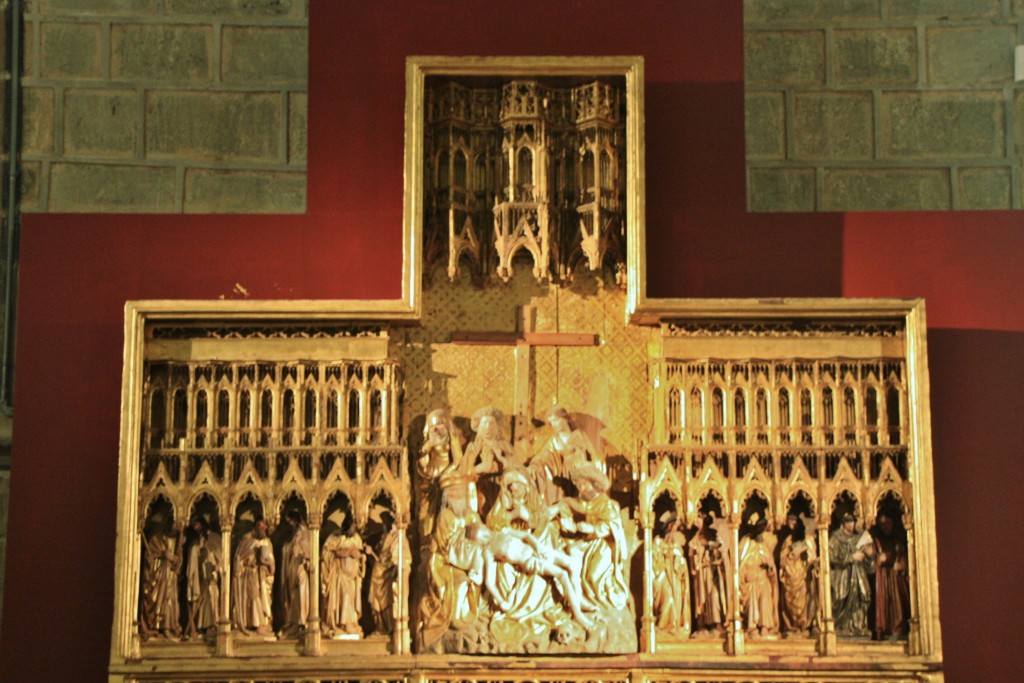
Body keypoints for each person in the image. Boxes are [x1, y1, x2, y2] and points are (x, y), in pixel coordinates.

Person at [465, 522, 594, 629]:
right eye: (481, 538)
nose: (486, 536)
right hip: (530, 562)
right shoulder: (489, 552)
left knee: (572, 564)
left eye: (484, 532)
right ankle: (578, 616)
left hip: (538, 550)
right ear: (478, 543)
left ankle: (578, 600)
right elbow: (489, 581)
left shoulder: (503, 531)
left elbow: (526, 536)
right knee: (563, 575)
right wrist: (501, 601)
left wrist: (537, 546)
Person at [557, 463, 629, 612]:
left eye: (583, 485)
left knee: (593, 576)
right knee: (569, 550)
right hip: (589, 542)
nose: (580, 489)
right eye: (579, 486)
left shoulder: (607, 504)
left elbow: (612, 525)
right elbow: (572, 506)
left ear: (594, 484)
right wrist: (569, 524)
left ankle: (601, 603)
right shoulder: (588, 504)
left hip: (604, 546)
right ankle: (577, 596)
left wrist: (593, 528)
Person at [528, 406, 600, 504]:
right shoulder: (554, 440)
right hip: (560, 480)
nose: (554, 425)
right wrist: (535, 465)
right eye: (551, 422)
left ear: (564, 418)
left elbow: (592, 457)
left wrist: (575, 456)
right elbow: (544, 455)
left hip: (577, 477)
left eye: (556, 420)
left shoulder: (579, 436)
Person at [417, 408, 465, 539]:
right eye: (434, 426)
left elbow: (457, 460)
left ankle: (443, 538)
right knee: (425, 512)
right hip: (430, 475)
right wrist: (429, 444)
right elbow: (422, 458)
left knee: (443, 509)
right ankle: (426, 539)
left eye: (440, 425)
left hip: (447, 476)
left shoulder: (452, 439)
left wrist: (444, 475)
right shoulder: (430, 440)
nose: (437, 429)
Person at [464, 406, 516, 515]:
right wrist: (478, 465)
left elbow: (515, 466)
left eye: (491, 423)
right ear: (479, 426)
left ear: (497, 426)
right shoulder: (473, 446)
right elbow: (464, 470)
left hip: (500, 484)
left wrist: (499, 461)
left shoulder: (504, 445)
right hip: (478, 486)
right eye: (485, 423)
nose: (488, 427)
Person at [829, 512, 874, 637]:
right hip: (842, 575)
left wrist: (870, 555)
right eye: (848, 522)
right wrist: (851, 557)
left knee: (864, 596)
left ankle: (858, 627)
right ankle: (840, 627)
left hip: (858, 574)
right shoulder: (835, 538)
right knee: (840, 597)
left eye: (853, 522)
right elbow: (831, 558)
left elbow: (870, 567)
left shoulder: (858, 539)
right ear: (843, 524)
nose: (851, 525)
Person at [321, 518, 366, 637]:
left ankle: (350, 623)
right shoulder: (335, 537)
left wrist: (360, 556)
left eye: (354, 527)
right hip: (339, 574)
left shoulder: (357, 538)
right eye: (350, 527)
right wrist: (344, 552)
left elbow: (360, 555)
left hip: (353, 577)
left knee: (351, 599)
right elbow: (327, 553)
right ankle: (342, 624)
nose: (353, 530)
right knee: (344, 596)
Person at [737, 513, 779, 637]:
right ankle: (751, 626)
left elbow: (771, 563)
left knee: (765, 595)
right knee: (752, 595)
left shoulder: (764, 544)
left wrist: (770, 569)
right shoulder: (745, 542)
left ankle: (764, 626)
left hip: (763, 577)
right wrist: (744, 574)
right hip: (749, 580)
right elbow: (739, 563)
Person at [368, 511, 411, 635]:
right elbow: (380, 555)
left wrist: (376, 555)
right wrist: (372, 553)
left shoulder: (399, 538)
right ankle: (379, 626)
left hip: (388, 575)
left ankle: (389, 628)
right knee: (375, 599)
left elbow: (396, 559)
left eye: (385, 523)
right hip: (377, 573)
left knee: (387, 599)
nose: (383, 526)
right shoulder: (385, 537)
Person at [140, 516, 183, 639]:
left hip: (171, 578)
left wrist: (172, 558)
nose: (176, 527)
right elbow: (149, 559)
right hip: (160, 577)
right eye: (175, 524)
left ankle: (169, 627)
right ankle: (159, 627)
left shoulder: (178, 542)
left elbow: (179, 564)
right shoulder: (157, 540)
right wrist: (158, 557)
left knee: (170, 602)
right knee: (161, 600)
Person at [231, 518, 275, 636]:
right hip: (248, 573)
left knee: (259, 597)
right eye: (261, 524)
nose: (263, 527)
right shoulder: (248, 538)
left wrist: (267, 563)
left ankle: (261, 623)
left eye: (265, 525)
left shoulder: (265, 541)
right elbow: (241, 555)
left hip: (259, 573)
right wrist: (255, 546)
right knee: (253, 597)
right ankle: (256, 624)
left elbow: (269, 560)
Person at [689, 513, 729, 634]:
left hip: (714, 572)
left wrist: (713, 548)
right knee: (703, 598)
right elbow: (692, 554)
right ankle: (703, 624)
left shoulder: (715, 535)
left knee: (715, 595)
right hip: (703, 573)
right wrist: (699, 554)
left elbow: (722, 551)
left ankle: (717, 622)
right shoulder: (695, 539)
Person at [778, 513, 817, 636]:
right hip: (791, 575)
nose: (792, 524)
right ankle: (792, 626)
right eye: (790, 521)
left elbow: (813, 557)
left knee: (805, 598)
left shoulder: (809, 539)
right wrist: (790, 556)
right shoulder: (788, 540)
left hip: (804, 574)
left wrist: (807, 553)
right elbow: (782, 559)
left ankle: (805, 625)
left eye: (794, 521)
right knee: (790, 600)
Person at [872, 512, 910, 640]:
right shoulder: (876, 541)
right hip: (882, 578)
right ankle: (884, 630)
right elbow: (873, 558)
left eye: (887, 524)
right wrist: (878, 558)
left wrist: (898, 563)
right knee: (884, 604)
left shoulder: (897, 541)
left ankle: (897, 629)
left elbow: (902, 556)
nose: (885, 527)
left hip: (895, 578)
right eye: (882, 524)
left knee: (896, 604)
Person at [651, 513, 690, 636]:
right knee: (668, 598)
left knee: (675, 599)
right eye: (673, 525)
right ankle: (664, 626)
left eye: (676, 527)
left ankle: (674, 625)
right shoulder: (658, 541)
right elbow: (652, 558)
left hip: (675, 576)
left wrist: (678, 559)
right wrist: (664, 555)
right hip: (662, 575)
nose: (675, 529)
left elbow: (681, 559)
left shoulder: (676, 542)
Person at [186, 515, 222, 639]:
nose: (196, 528)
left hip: (211, 577)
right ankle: (203, 626)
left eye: (197, 524)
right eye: (193, 526)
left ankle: (212, 626)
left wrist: (217, 567)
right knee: (202, 602)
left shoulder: (214, 539)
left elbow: (221, 559)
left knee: (212, 600)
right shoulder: (196, 543)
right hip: (201, 578)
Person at [279, 509, 311, 638]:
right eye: (288, 522)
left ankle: (303, 622)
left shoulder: (304, 532)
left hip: (301, 567)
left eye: (291, 521)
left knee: (301, 594)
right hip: (293, 567)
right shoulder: (295, 534)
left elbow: (309, 551)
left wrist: (304, 555)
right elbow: (292, 549)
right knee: (293, 596)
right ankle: (294, 622)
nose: (290, 524)